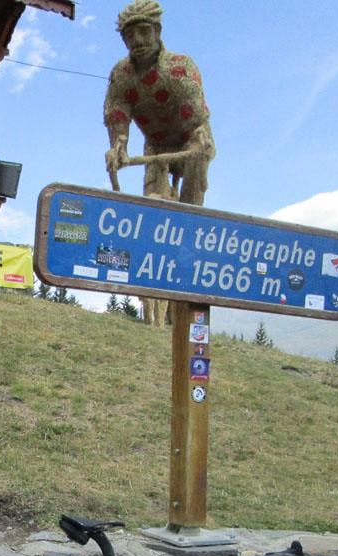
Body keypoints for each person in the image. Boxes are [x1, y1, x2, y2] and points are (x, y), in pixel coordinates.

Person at [103, 0, 215, 325]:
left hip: (190, 142)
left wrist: (198, 142)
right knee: (153, 211)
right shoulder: (122, 75)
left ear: (156, 32)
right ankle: (155, 293)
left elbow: (195, 117)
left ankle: (190, 251)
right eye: (129, 36)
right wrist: (118, 146)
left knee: (191, 203)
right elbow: (117, 112)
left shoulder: (180, 68)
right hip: (156, 146)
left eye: (143, 32)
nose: (137, 42)